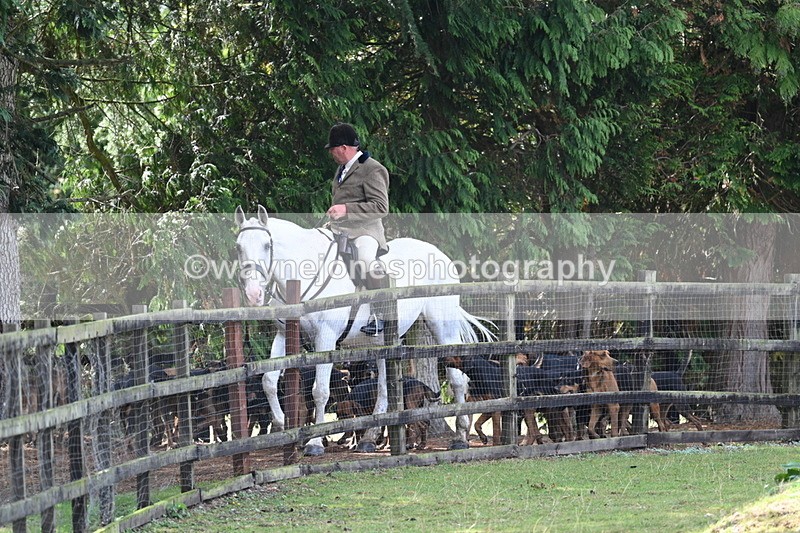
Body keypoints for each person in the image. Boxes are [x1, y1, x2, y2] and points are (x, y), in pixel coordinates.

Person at [325, 122, 390, 334]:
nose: (332, 155)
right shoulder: (342, 169)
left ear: (343, 148)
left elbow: (381, 207)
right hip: (340, 228)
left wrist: (346, 209)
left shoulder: (372, 168)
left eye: (333, 150)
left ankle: (381, 315)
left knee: (365, 260)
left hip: (366, 230)